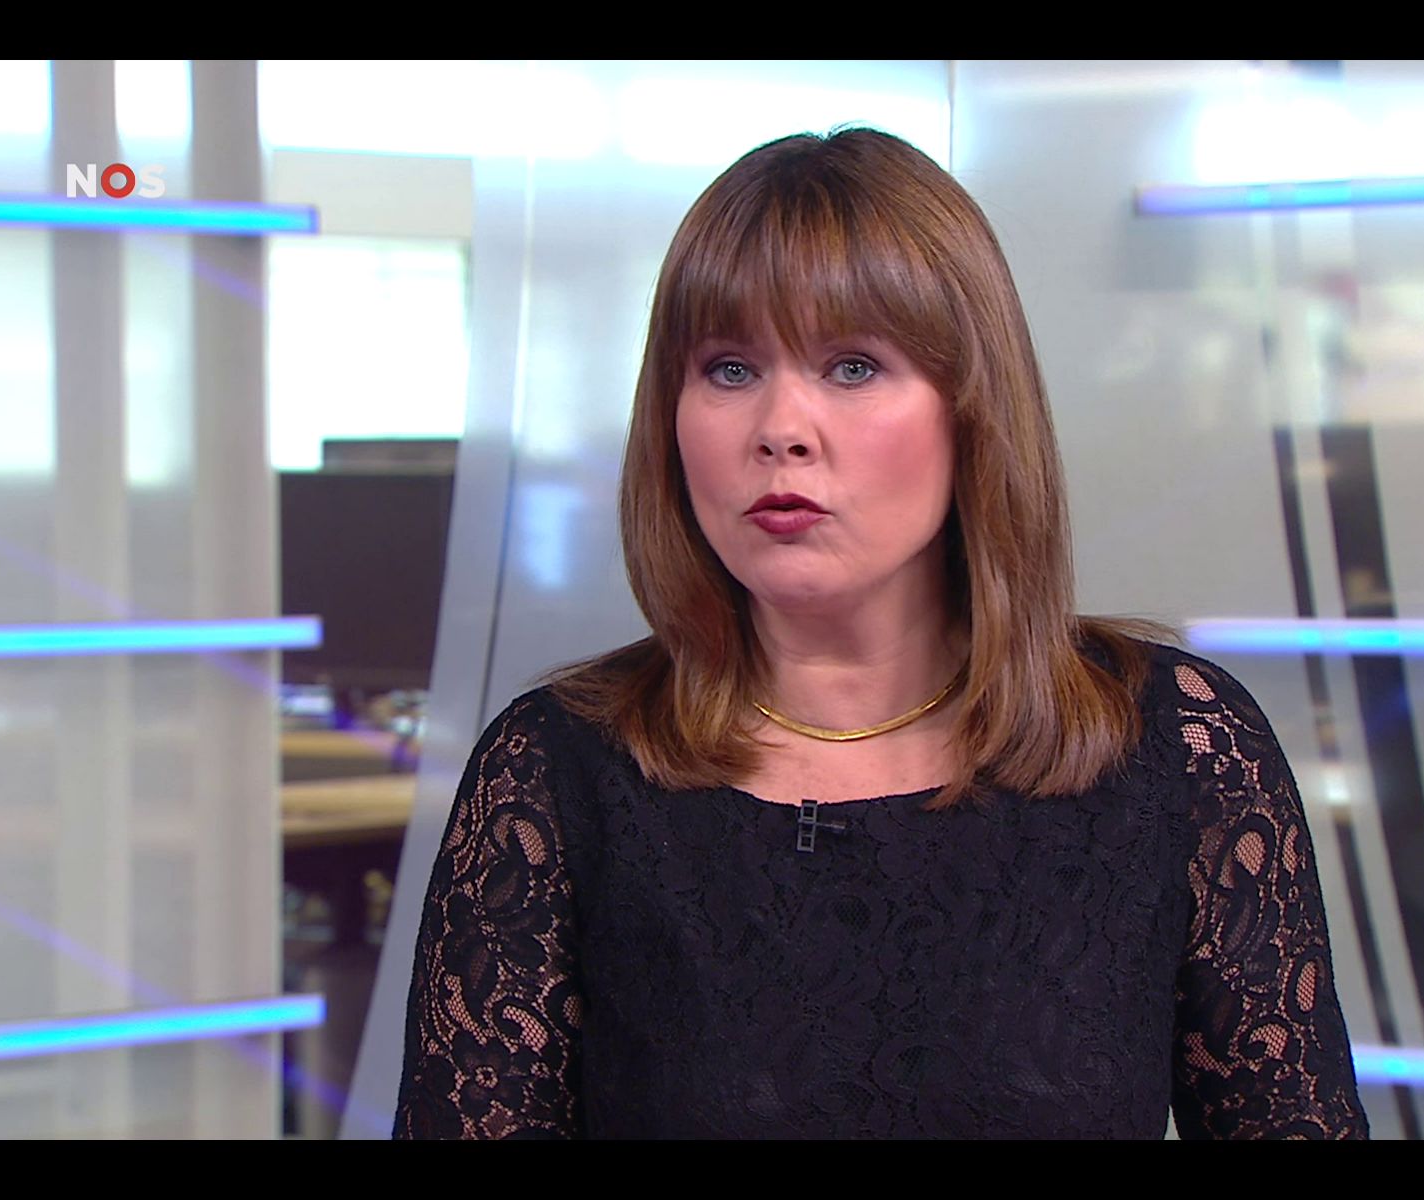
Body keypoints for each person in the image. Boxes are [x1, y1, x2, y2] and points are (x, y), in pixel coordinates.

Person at [391, 127, 1369, 1139]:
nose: (782, 428)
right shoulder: (553, 773)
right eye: (729, 368)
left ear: (971, 410)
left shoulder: (1179, 747)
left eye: (853, 366)